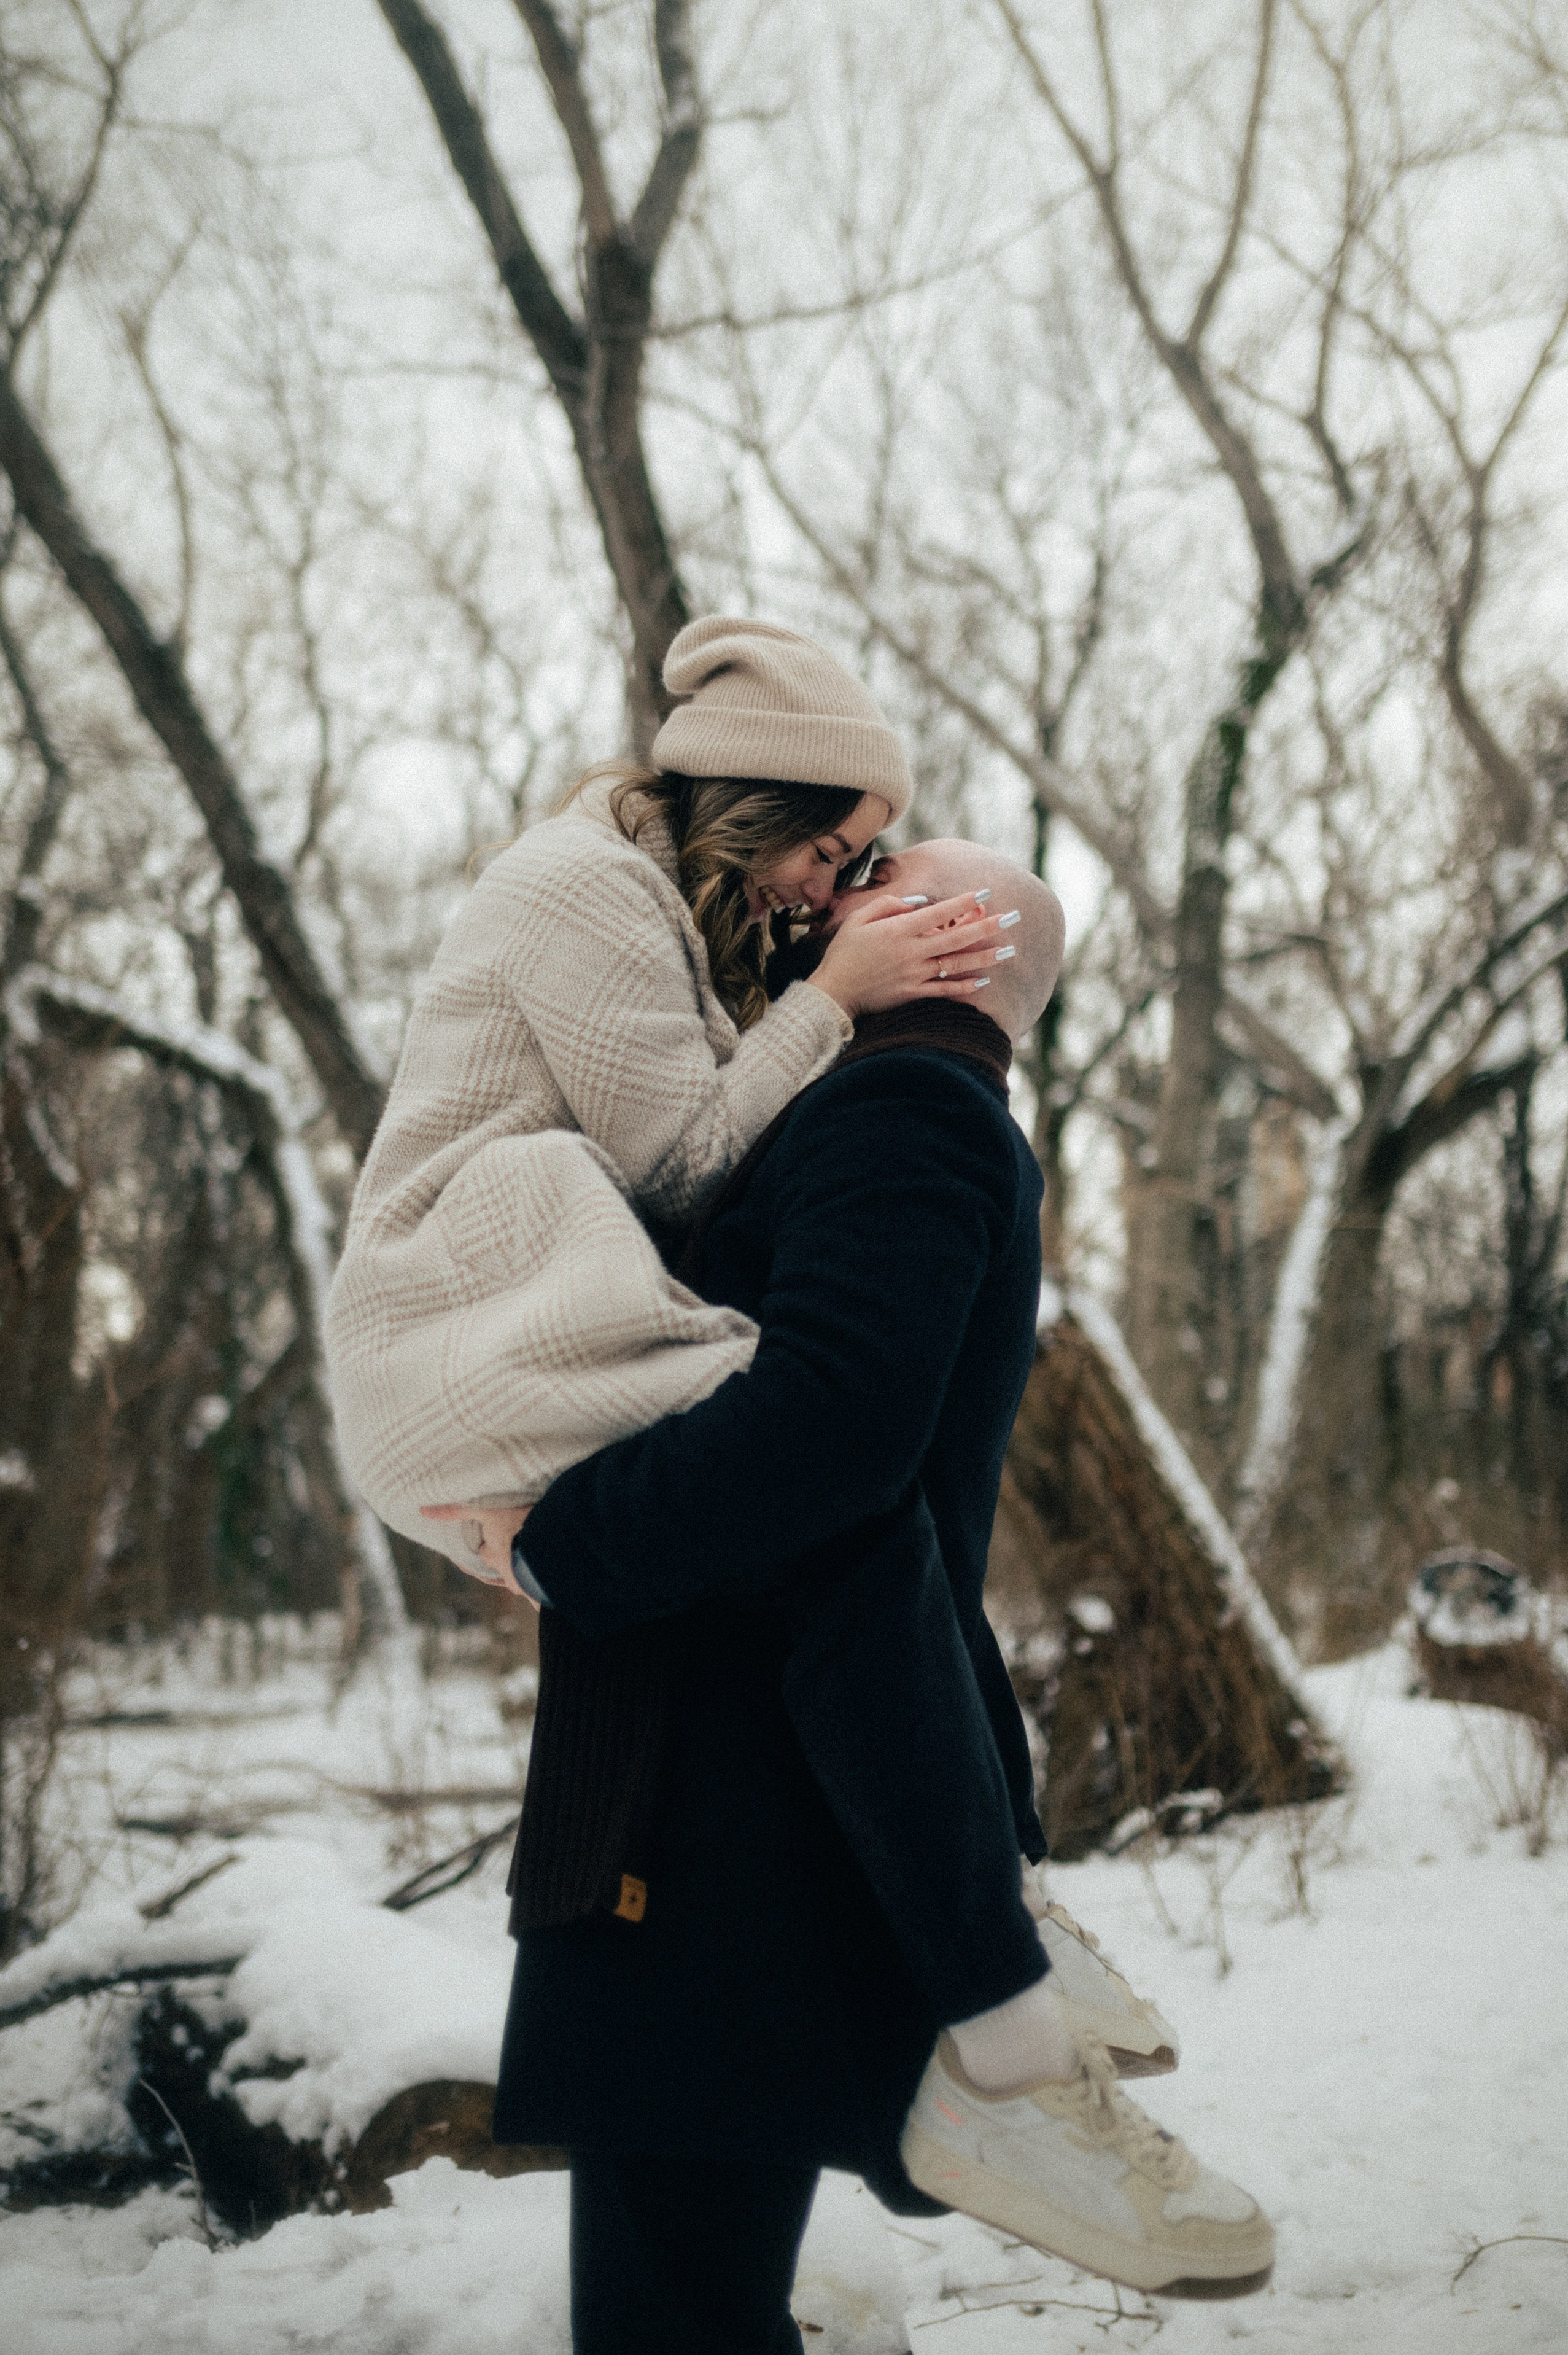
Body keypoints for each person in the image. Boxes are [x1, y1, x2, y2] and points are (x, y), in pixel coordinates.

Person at [456, 836, 1273, 2353]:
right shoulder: (910, 1117)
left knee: (669, 2303)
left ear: (947, 935)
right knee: (690, 2288)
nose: (818, 894)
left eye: (872, 872)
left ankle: (1016, 2060)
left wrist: (564, 1538)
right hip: (748, 1772)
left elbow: (823, 1433)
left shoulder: (894, 1112)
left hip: (723, 1799)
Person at [324, 615, 1011, 1580]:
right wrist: (832, 996)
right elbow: (684, 1170)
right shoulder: (584, 883)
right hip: (441, 1326)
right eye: (822, 849)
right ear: (757, 800)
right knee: (827, 1438)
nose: (822, 893)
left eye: (848, 866)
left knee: (836, 1464)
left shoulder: (677, 913)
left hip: (509, 1329)